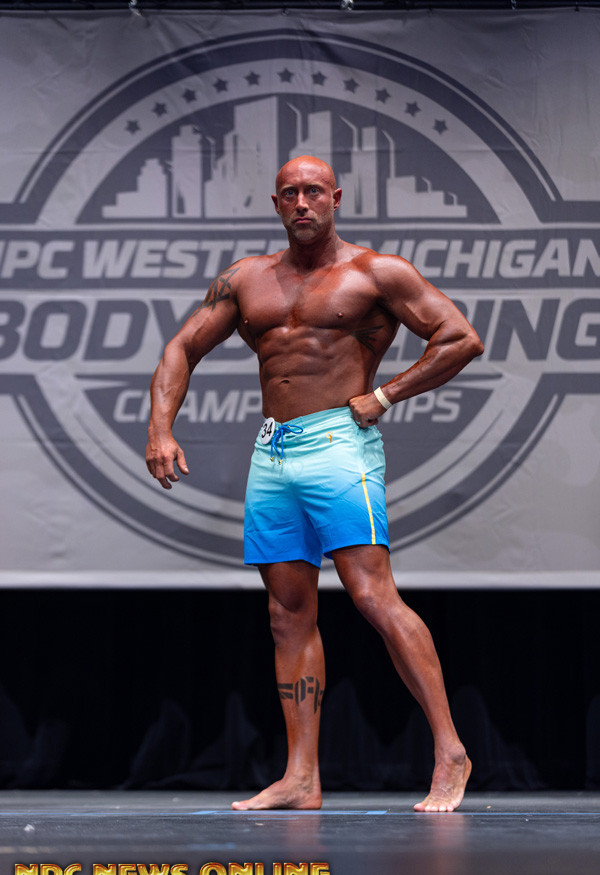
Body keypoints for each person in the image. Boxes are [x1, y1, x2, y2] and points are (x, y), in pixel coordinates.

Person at [146, 155, 483, 812]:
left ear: (335, 198)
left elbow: (460, 338)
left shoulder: (376, 273)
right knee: (286, 615)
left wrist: (385, 395)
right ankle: (302, 777)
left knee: (372, 596)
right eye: (290, 193)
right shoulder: (246, 279)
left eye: (313, 192)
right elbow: (181, 347)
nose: (302, 202)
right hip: (273, 451)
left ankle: (450, 750)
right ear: (276, 204)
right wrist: (161, 428)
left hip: (339, 444)